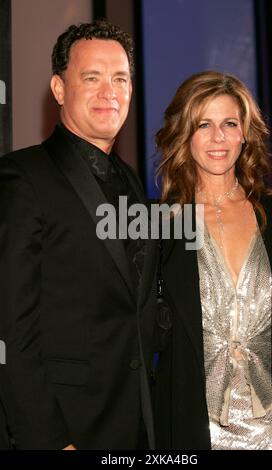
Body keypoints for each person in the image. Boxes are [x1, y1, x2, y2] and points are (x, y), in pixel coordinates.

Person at [0, 19, 157, 450]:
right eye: (92, 78)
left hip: (137, 426)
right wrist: (51, 440)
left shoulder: (132, 181)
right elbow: (10, 330)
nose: (110, 91)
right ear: (58, 88)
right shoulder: (20, 178)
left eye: (120, 78)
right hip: (67, 429)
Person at [154, 71, 272, 450]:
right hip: (192, 430)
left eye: (229, 123)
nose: (218, 137)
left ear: (244, 134)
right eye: (204, 124)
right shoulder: (159, 229)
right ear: (185, 135)